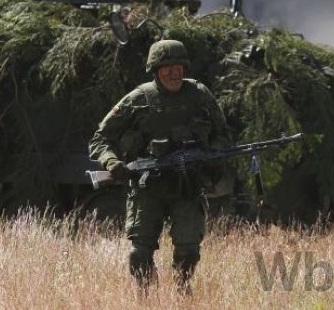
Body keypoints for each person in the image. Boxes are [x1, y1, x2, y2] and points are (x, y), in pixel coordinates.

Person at [89, 39, 230, 294]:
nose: (174, 72)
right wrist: (113, 162)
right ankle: (146, 298)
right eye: (167, 67)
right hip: (147, 187)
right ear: (155, 69)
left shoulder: (199, 95)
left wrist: (211, 153)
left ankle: (181, 293)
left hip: (187, 186)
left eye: (179, 66)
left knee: (188, 250)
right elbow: (100, 139)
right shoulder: (138, 98)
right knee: (139, 253)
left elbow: (223, 135)